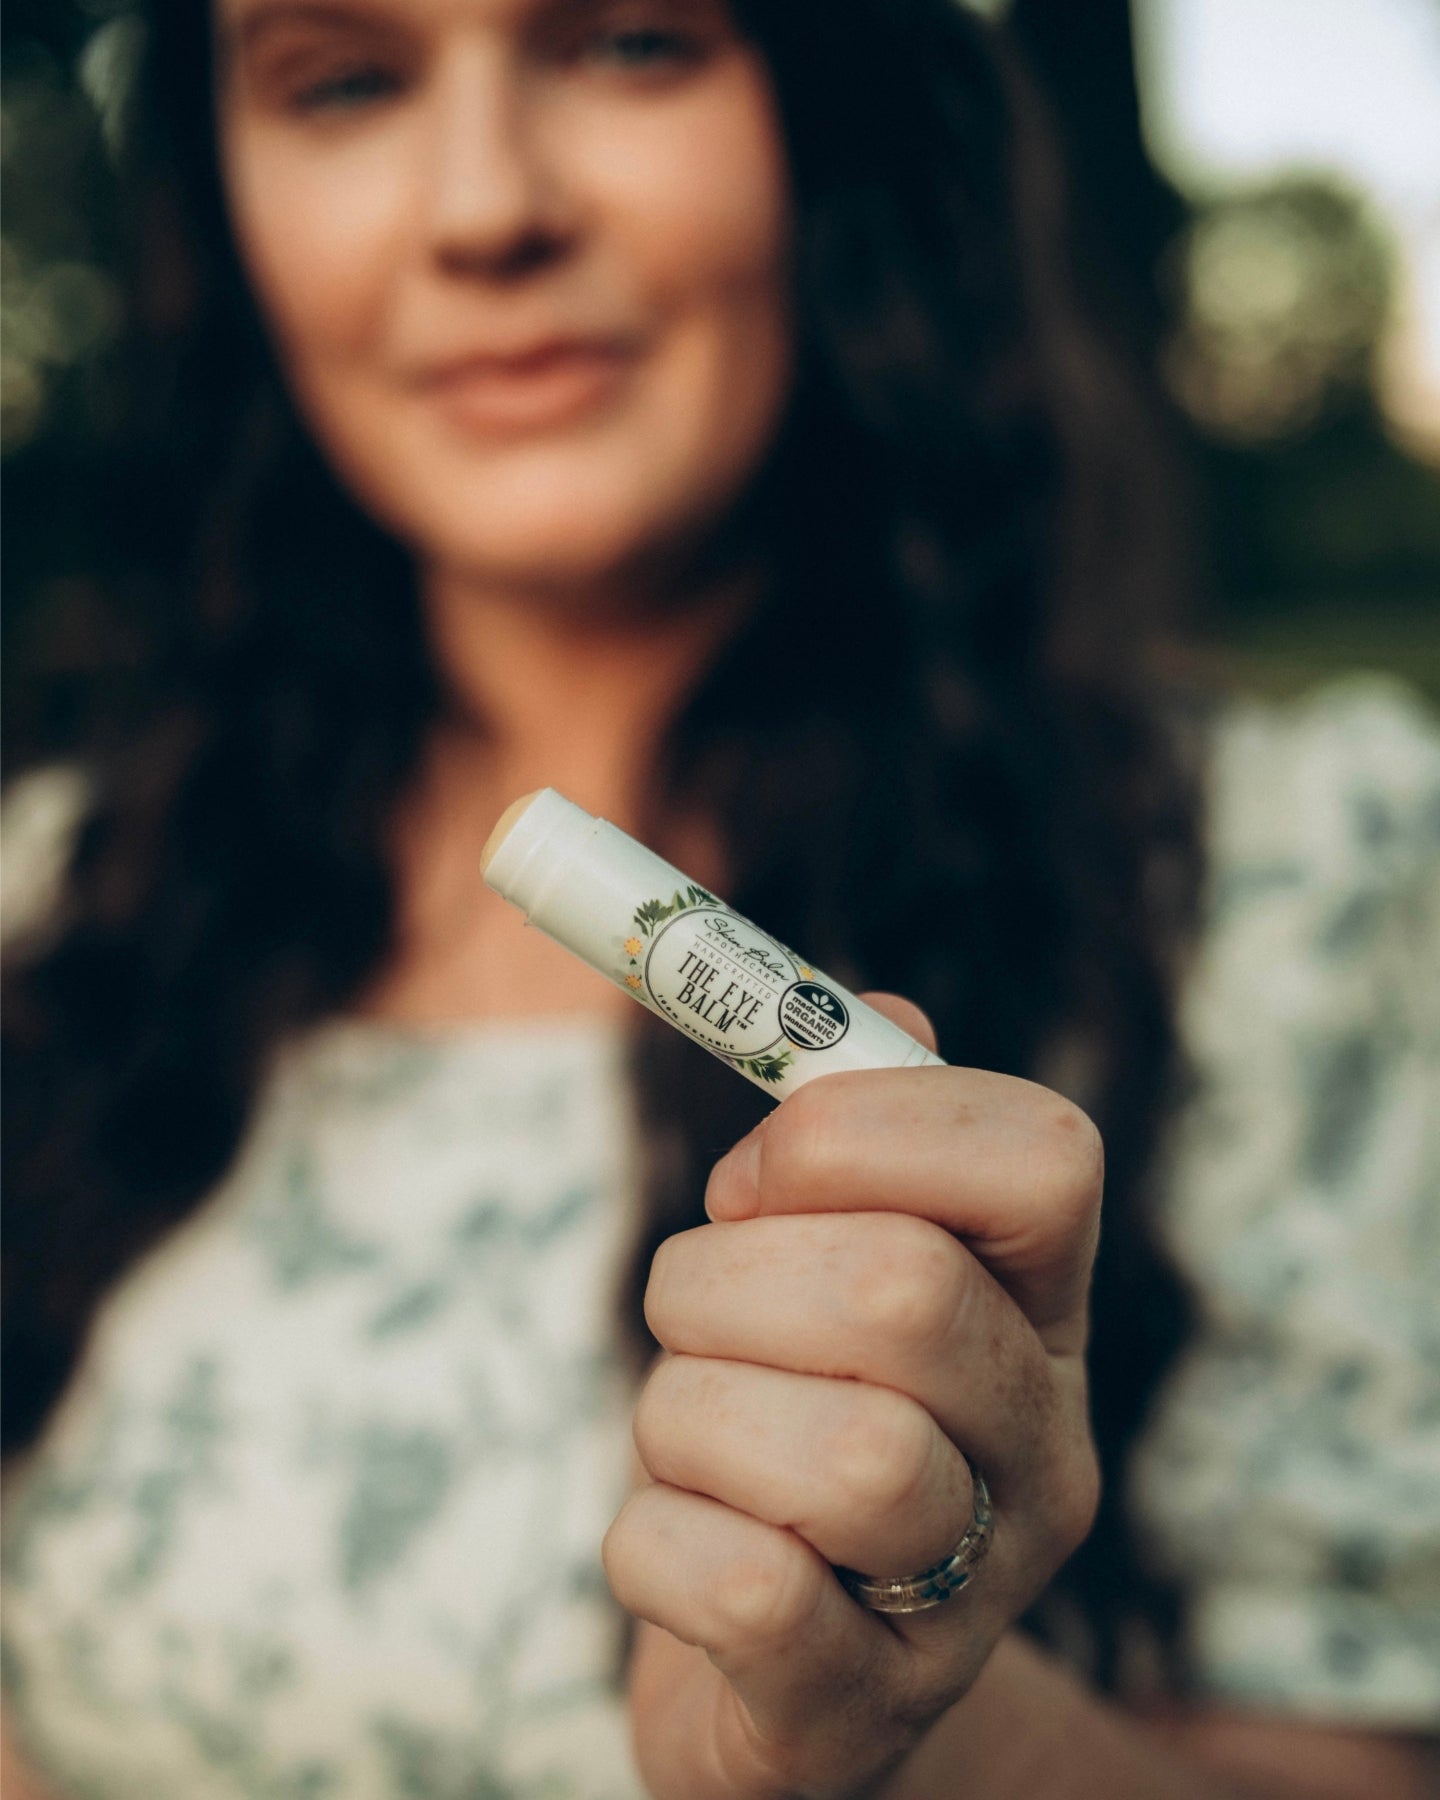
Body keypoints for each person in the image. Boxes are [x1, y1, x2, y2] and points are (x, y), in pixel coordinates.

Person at [2, 0, 1437, 1794]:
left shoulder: (1277, 878)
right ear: (221, 203)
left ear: (836, 112)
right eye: (346, 80)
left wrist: (883, 1726)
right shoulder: (58, 906)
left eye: (627, 43)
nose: (484, 209)